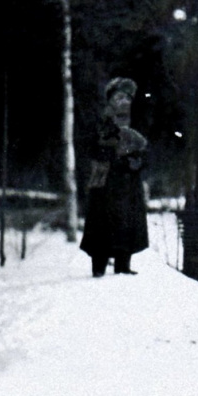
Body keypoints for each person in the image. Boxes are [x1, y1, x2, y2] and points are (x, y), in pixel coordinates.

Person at [80, 77, 149, 277]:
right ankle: (99, 267)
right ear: (111, 97)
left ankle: (123, 265)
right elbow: (90, 146)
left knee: (127, 222)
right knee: (101, 222)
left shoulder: (135, 120)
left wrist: (136, 161)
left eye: (127, 96)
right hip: (104, 178)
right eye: (119, 95)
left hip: (128, 180)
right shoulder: (100, 119)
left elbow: (144, 148)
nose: (124, 100)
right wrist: (111, 154)